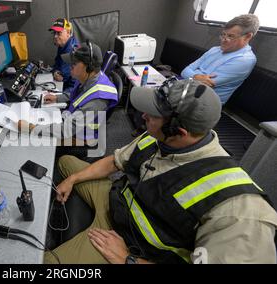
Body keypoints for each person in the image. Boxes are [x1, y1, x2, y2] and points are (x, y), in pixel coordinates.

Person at [44, 78, 277, 264]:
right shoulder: (157, 136)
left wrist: (130, 260)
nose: (143, 116)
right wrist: (73, 179)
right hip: (118, 201)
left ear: (180, 131)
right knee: (66, 162)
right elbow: (115, 162)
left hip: (131, 244)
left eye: (153, 114)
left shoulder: (240, 210)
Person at [18, 42, 118, 159]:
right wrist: (58, 97)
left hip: (85, 142)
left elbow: (66, 130)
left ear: (88, 67)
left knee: (34, 146)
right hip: (76, 127)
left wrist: (32, 128)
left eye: (74, 64)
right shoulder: (90, 77)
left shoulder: (98, 99)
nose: (70, 66)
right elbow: (78, 93)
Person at [181, 14, 259, 104]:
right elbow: (184, 71)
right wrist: (196, 76)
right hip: (187, 90)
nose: (223, 40)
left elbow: (202, 84)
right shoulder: (215, 49)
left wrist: (193, 73)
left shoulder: (245, 60)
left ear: (247, 37)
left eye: (230, 36)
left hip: (204, 103)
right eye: (223, 35)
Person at [49, 18, 79, 91]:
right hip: (66, 85)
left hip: (73, 89)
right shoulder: (62, 46)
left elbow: (63, 77)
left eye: (59, 33)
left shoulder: (71, 50)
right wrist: (55, 72)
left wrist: (56, 73)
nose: (55, 36)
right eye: (54, 33)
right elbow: (57, 64)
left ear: (68, 33)